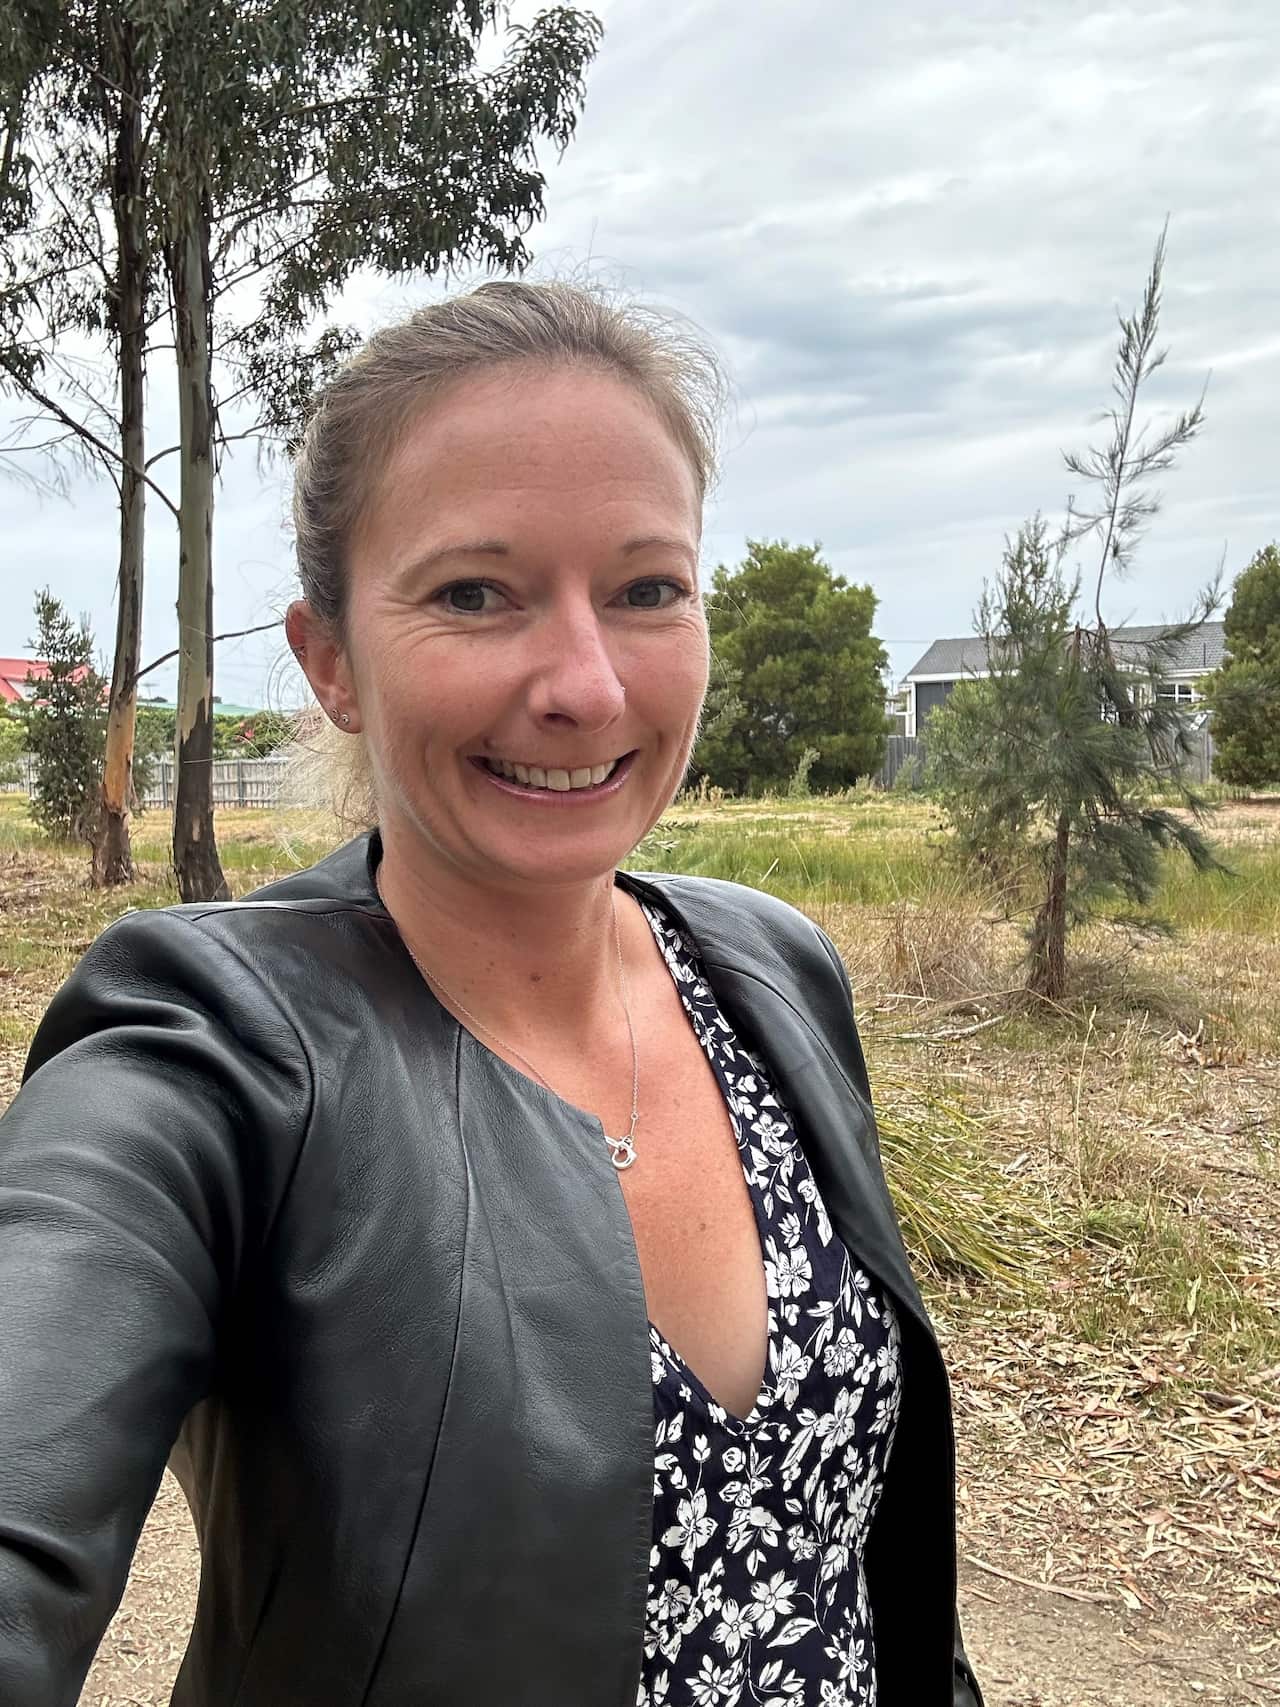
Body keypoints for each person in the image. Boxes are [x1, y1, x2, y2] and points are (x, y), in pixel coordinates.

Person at [0, 281, 983, 1707]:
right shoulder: (214, 1046)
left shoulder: (770, 969)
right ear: (330, 661)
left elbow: (858, 1559)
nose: (586, 683)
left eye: (647, 590)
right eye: (476, 594)